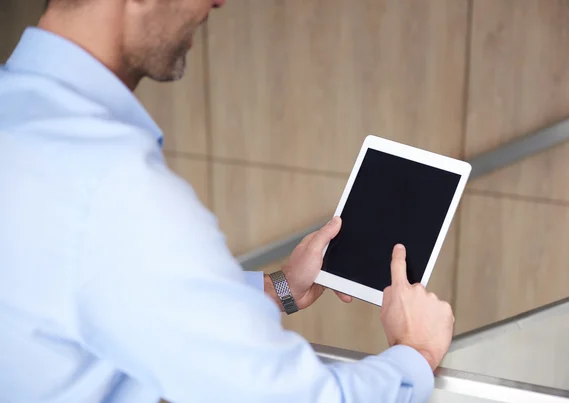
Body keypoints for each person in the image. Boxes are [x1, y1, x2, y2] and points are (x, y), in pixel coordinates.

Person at [0, 0, 455, 402]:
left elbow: (91, 287)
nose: (218, 2)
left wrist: (278, 288)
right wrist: (415, 354)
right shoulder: (115, 189)